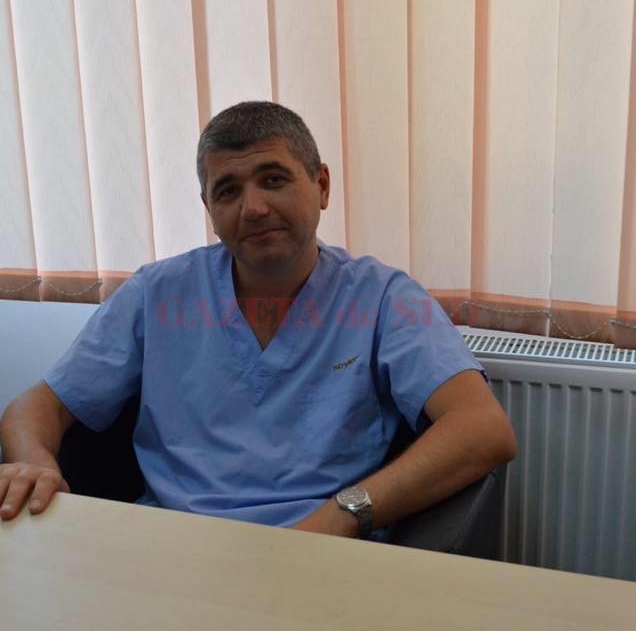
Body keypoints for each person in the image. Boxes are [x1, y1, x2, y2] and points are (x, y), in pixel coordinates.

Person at [0, 101, 517, 539]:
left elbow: (482, 429)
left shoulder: (382, 298)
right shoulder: (157, 293)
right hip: (170, 548)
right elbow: (38, 405)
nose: (253, 208)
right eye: (228, 190)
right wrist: (34, 462)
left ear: (321, 185)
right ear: (209, 208)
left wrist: (339, 518)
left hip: (320, 550)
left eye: (273, 180)